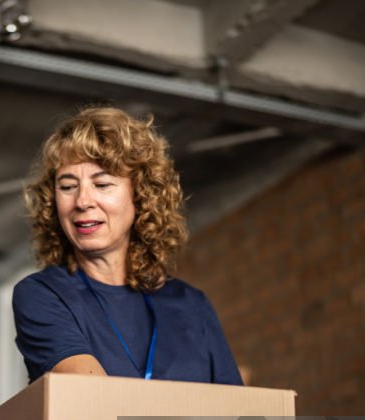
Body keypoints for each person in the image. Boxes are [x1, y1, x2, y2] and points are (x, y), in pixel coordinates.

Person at [13, 106, 243, 385]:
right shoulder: (43, 296)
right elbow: (92, 398)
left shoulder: (192, 305)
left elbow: (235, 416)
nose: (82, 201)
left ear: (141, 195)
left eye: (102, 184)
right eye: (67, 186)